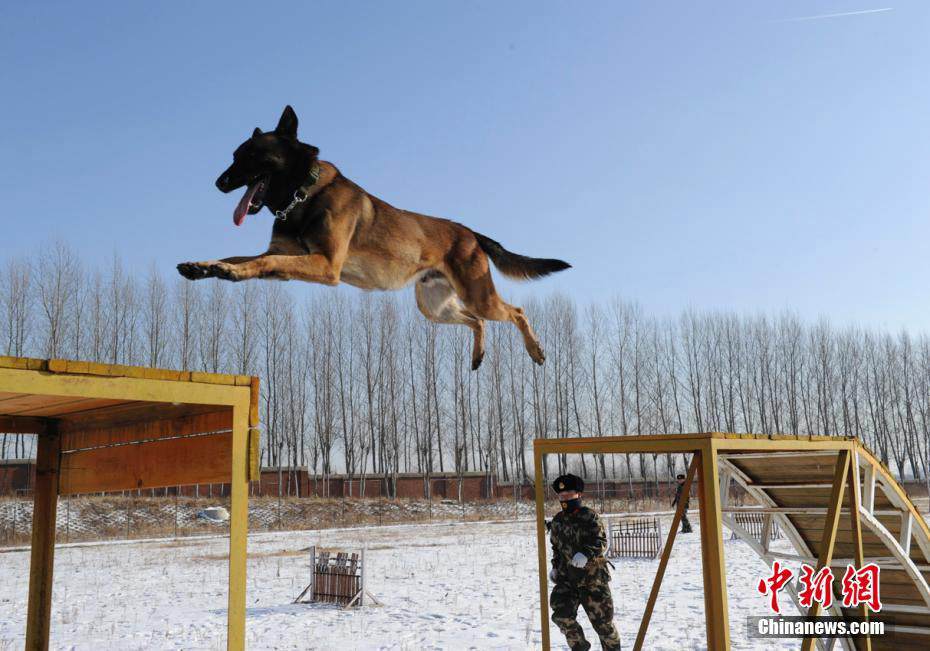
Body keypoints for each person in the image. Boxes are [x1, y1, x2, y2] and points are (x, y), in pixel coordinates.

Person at [548, 473, 622, 651]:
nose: (564, 498)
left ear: (579, 494)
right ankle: (580, 647)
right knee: (561, 615)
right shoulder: (558, 521)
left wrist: (586, 554)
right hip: (567, 580)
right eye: (561, 496)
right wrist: (555, 567)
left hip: (592, 580)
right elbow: (556, 548)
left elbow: (600, 541)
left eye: (569, 495)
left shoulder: (589, 516)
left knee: (604, 626)